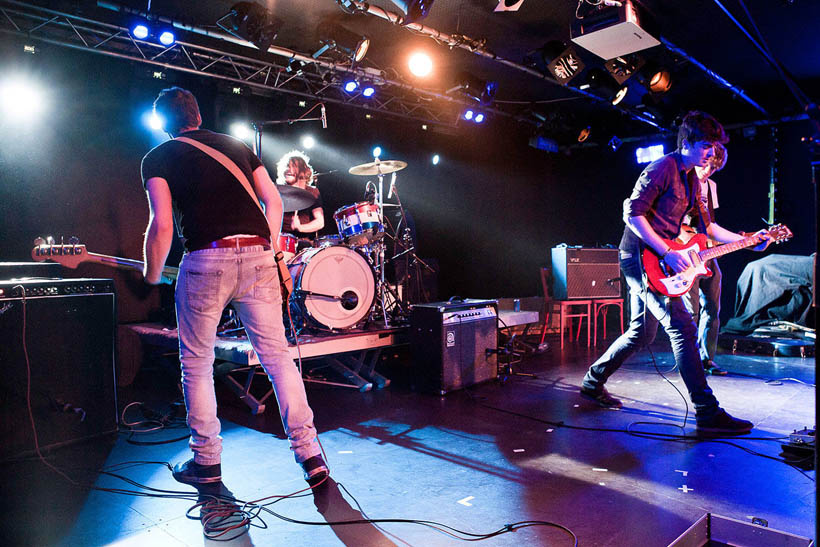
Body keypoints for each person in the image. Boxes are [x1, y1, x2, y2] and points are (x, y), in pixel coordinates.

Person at [140, 87, 328, 485]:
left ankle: (206, 462)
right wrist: (273, 246)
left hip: (206, 258)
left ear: (163, 124)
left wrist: (152, 273)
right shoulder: (238, 146)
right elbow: (273, 201)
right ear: (198, 116)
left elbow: (162, 225)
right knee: (277, 358)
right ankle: (310, 454)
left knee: (196, 364)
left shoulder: (157, 157)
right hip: (259, 255)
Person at [580, 111, 772, 435]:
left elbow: (709, 227)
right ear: (688, 142)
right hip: (638, 258)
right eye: (708, 146)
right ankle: (707, 412)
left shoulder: (694, 179)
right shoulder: (662, 168)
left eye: (714, 147)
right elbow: (632, 214)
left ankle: (592, 381)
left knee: (642, 333)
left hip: (659, 258)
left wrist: (748, 241)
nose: (712, 153)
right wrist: (667, 251)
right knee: (682, 327)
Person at [678, 143, 728, 376]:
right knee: (692, 310)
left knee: (713, 307)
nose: (708, 170)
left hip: (706, 251)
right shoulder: (683, 180)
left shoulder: (710, 187)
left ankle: (706, 359)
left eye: (714, 168)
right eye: (707, 164)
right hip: (683, 252)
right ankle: (689, 360)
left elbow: (710, 226)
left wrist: (741, 240)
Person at [276, 150, 325, 244]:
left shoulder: (312, 192)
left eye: (292, 166)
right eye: (286, 166)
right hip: (279, 239)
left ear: (303, 171)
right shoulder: (276, 191)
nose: (287, 170)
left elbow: (320, 222)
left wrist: (301, 228)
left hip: (302, 241)